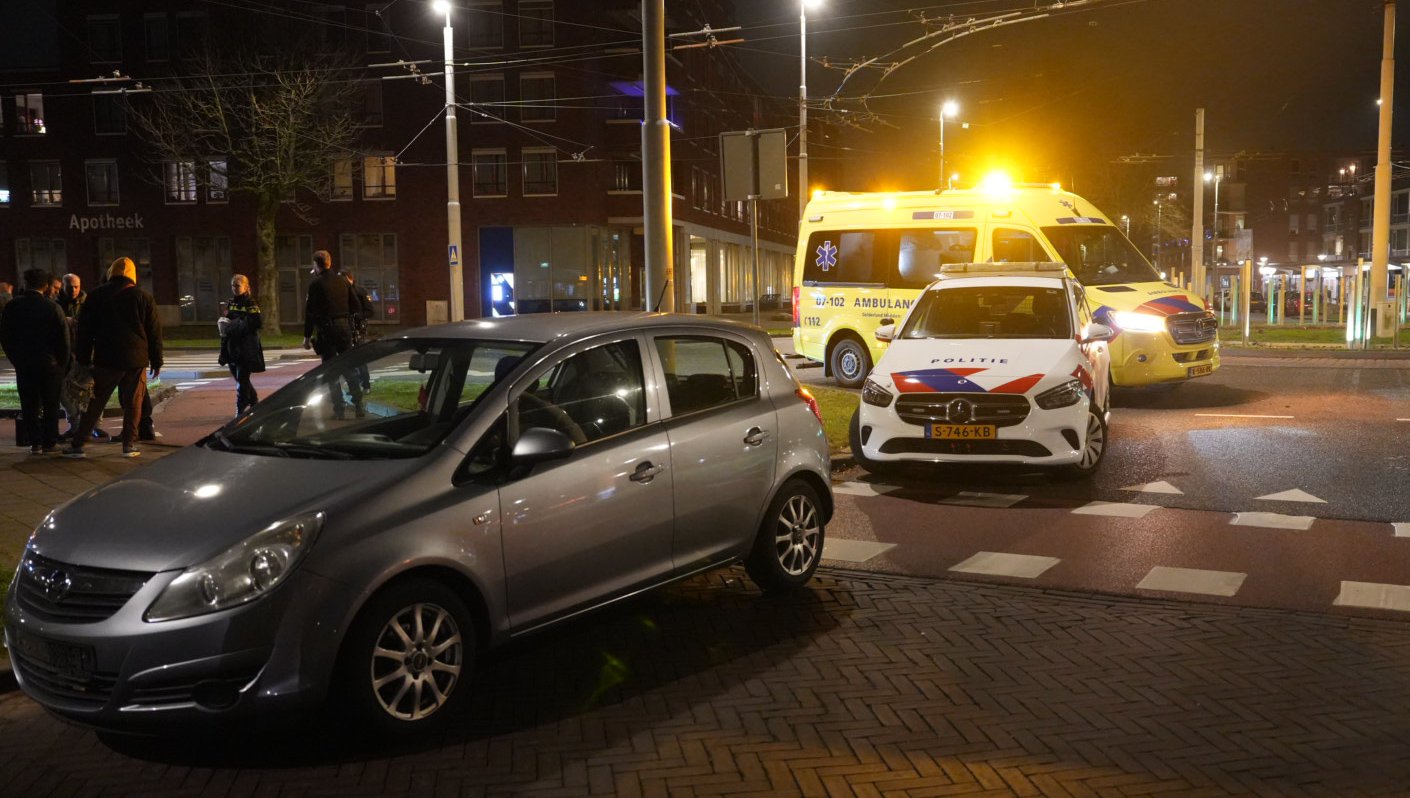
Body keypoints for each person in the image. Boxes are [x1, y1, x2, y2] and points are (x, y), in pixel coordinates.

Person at [64, 257, 162, 459]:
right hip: (136, 359)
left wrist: (83, 358)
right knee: (133, 403)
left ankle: (78, 444)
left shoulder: (96, 296)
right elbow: (154, 332)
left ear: (111, 273)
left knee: (95, 402)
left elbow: (85, 331)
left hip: (107, 357)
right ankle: (129, 445)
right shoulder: (143, 297)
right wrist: (156, 360)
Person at [0, 268, 70, 453]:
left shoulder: (13, 306)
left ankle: (35, 442)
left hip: (25, 364)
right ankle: (49, 442)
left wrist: (15, 359)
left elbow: (5, 337)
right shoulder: (52, 307)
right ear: (45, 285)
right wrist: (62, 363)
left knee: (29, 404)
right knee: (51, 404)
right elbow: (63, 339)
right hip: (50, 365)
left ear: (25, 283)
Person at [303, 250, 364, 418]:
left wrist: (307, 336)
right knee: (348, 366)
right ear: (329, 262)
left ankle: (339, 408)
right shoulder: (343, 281)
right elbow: (356, 305)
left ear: (317, 265)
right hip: (344, 328)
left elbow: (310, 313)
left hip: (327, 330)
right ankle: (358, 404)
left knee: (331, 371)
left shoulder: (316, 285)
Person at [218, 274, 266, 415]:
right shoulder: (231, 302)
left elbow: (257, 322)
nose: (235, 288)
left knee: (242, 379)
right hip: (232, 347)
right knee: (239, 378)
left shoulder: (250, 303)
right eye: (233, 285)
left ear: (245, 286)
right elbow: (229, 322)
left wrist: (237, 325)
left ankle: (240, 409)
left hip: (246, 347)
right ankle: (254, 401)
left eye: (237, 285)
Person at [343, 270, 373, 392]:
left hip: (357, 330)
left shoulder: (360, 291)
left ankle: (365, 384)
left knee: (360, 358)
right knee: (348, 360)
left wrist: (357, 317)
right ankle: (355, 384)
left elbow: (369, 311)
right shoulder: (342, 292)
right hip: (346, 329)